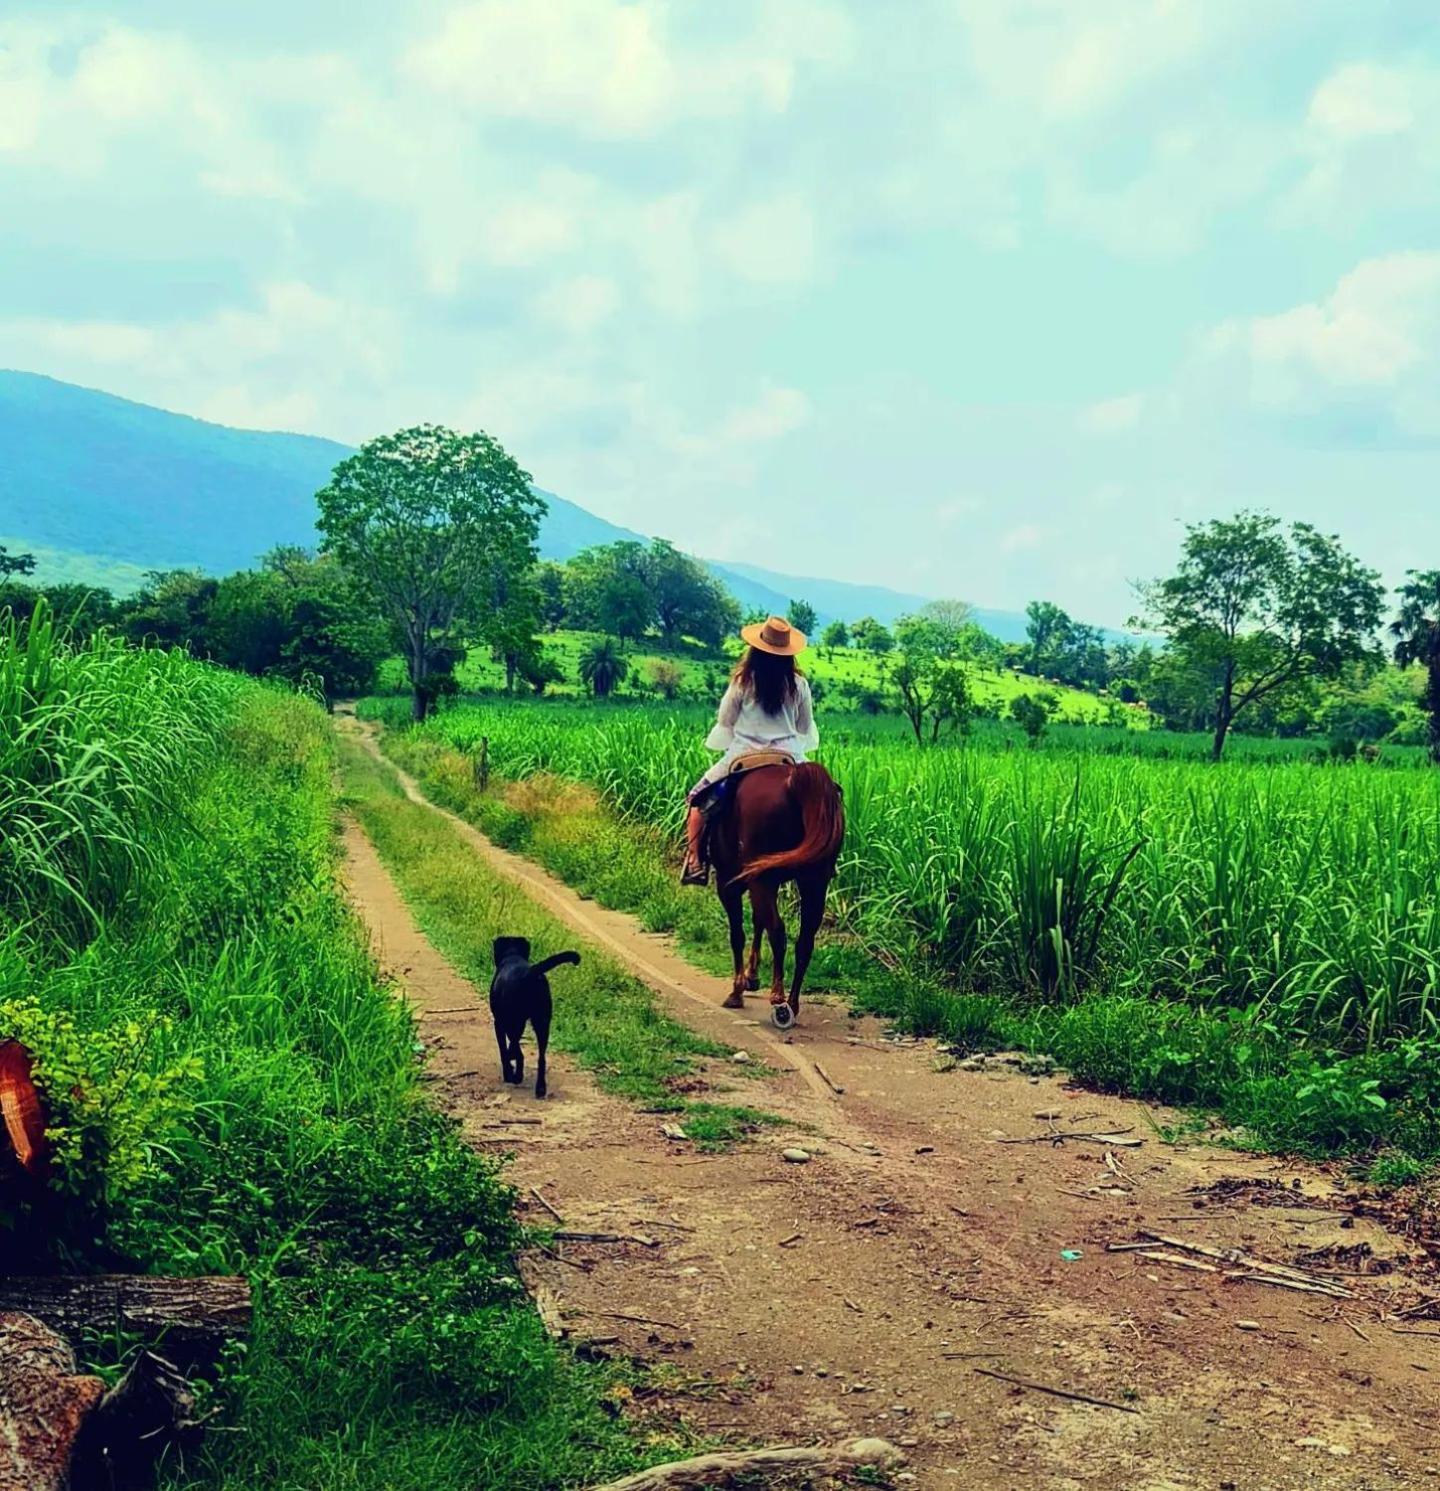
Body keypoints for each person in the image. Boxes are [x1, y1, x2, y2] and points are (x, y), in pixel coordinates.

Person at [682, 616, 818, 885]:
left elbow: (726, 720)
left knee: (696, 800)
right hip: (789, 756)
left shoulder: (743, 681)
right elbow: (804, 726)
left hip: (743, 756)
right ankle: (824, 860)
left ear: (756, 648)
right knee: (824, 799)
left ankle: (695, 861)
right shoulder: (798, 684)